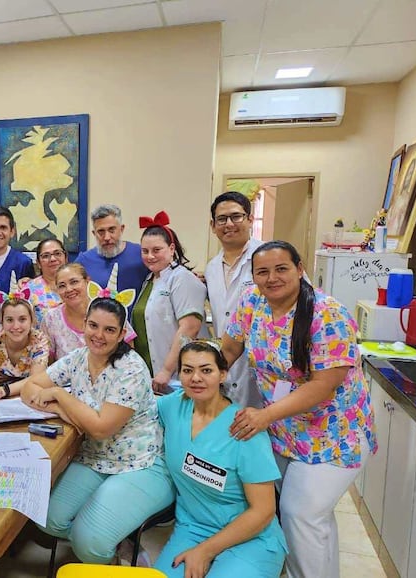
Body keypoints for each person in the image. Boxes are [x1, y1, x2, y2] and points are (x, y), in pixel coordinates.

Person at [222, 240, 377, 578]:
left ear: (299, 268)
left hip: (333, 434)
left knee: (300, 514)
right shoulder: (252, 301)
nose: (272, 278)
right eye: (262, 271)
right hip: (284, 431)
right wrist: (209, 372)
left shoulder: (327, 313)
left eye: (281, 269)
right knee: (313, 522)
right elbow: (232, 344)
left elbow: (323, 384)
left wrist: (263, 416)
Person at [22, 296, 174, 564]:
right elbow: (29, 389)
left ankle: (108, 546)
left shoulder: (131, 368)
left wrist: (58, 394)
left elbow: (101, 428)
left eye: (109, 329)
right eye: (93, 326)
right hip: (94, 457)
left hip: (139, 464)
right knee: (43, 516)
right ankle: (113, 541)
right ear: (84, 324)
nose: (99, 335)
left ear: (122, 334)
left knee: (89, 541)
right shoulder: (78, 358)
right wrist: (60, 409)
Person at [154, 341, 287, 578]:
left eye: (206, 370)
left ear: (222, 374)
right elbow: (133, 405)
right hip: (193, 529)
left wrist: (205, 551)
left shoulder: (245, 428)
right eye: (187, 370)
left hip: (250, 536)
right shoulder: (174, 406)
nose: (196, 378)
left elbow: (264, 511)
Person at [133, 211, 206, 392]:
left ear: (171, 249)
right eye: (145, 251)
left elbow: (189, 327)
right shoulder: (150, 279)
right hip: (150, 375)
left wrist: (166, 370)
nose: (150, 256)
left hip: (174, 377)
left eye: (157, 250)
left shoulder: (183, 278)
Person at [204, 192, 264, 408]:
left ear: (249, 219)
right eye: (222, 219)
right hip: (228, 362)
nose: (228, 224)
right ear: (213, 226)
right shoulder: (212, 268)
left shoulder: (270, 256)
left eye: (236, 217)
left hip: (264, 365)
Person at [41, 262, 136, 361]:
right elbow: (48, 362)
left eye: (74, 282)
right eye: (62, 286)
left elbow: (130, 356)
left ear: (87, 281)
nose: (69, 289)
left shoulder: (108, 308)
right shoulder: (51, 319)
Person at [74, 204, 148, 294]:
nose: (107, 237)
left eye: (111, 230)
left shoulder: (141, 254)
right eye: (101, 232)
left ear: (121, 229)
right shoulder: (83, 261)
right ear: (94, 233)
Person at [25, 238, 67, 325]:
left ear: (65, 258)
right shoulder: (28, 290)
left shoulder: (77, 285)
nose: (52, 259)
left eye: (57, 253)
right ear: (38, 263)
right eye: (45, 256)